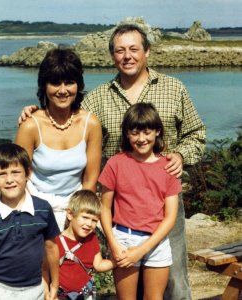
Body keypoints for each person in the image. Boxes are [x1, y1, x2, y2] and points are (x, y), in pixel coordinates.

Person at [18, 24, 206, 299]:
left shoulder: (174, 88)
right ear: (112, 56)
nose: (127, 56)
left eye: (134, 49)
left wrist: (181, 155)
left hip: (163, 201)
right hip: (121, 207)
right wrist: (33, 109)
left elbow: (197, 133)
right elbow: (66, 112)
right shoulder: (98, 98)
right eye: (120, 50)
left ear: (147, 51)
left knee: (175, 281)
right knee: (122, 275)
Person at [99, 103, 181, 300]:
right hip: (123, 240)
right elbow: (104, 208)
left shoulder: (168, 168)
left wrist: (142, 250)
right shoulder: (115, 164)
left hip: (157, 242)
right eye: (135, 132)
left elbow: (170, 218)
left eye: (147, 132)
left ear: (157, 131)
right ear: (127, 134)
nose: (142, 139)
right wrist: (113, 244)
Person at [15, 47, 102, 232]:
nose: (62, 91)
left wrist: (77, 217)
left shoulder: (91, 123)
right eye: (55, 83)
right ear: (44, 86)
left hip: (77, 207)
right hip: (35, 206)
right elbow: (17, 176)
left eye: (69, 82)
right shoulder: (30, 125)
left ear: (78, 85)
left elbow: (90, 179)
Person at [0, 143, 60, 300]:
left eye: (16, 172)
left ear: (28, 173)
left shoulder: (43, 209)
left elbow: (51, 249)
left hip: (35, 289)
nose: (9, 179)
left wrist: (54, 283)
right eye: (2, 174)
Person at [56, 189, 115, 300]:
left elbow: (98, 264)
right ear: (70, 214)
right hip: (61, 294)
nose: (89, 224)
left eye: (94, 220)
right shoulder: (56, 242)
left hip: (85, 292)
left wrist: (116, 261)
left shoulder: (92, 239)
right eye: (85, 217)